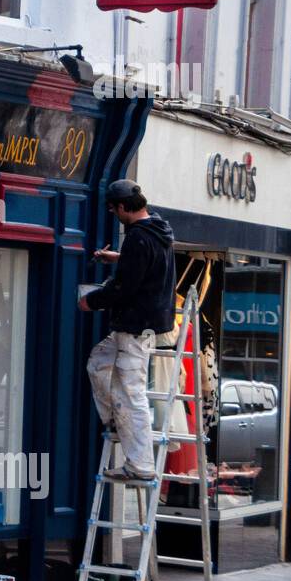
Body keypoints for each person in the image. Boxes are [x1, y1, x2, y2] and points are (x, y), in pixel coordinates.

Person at [78, 179, 176, 482]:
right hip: (142, 326)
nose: (112, 213)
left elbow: (124, 287)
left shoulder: (137, 238)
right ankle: (117, 423)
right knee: (97, 363)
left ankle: (141, 465)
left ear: (123, 207)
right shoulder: (158, 229)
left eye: (113, 208)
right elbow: (148, 265)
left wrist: (90, 302)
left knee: (131, 393)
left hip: (134, 327)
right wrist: (118, 258)